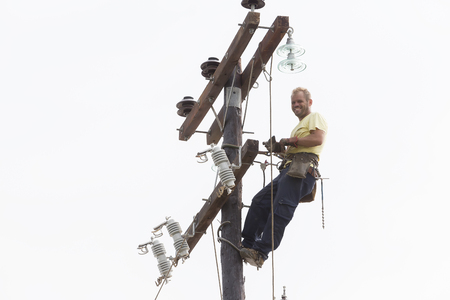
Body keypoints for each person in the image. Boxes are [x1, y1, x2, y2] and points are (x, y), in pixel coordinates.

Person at [240, 87, 328, 268]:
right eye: (293, 102)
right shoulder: (299, 126)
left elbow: (318, 139)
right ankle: (248, 244)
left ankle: (260, 253)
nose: (296, 105)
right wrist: (282, 149)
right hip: (289, 169)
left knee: (280, 210)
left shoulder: (315, 117)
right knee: (260, 201)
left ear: (309, 103)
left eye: (300, 102)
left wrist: (291, 141)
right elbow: (298, 147)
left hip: (302, 170)